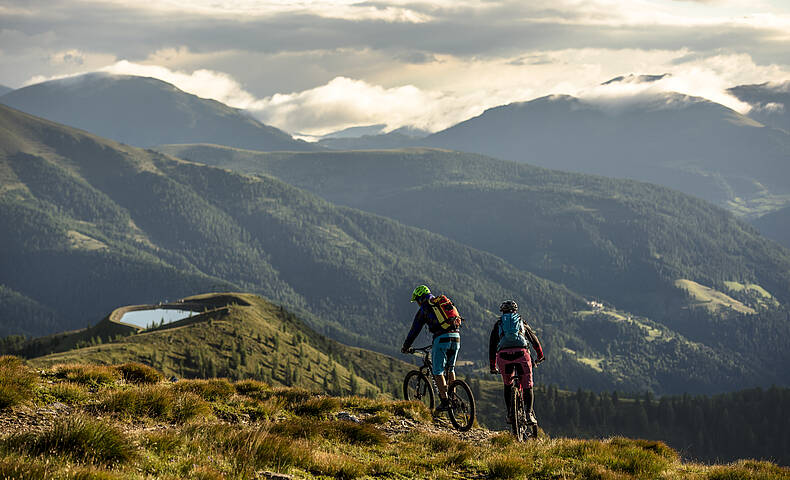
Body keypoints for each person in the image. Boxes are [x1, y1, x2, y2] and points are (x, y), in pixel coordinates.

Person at [401, 284, 461, 412]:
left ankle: (445, 401)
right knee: (450, 369)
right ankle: (453, 397)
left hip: (441, 339)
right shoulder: (441, 302)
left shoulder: (424, 308)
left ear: (419, 298)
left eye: (416, 301)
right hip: (456, 337)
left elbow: (414, 330)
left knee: (437, 371)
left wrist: (406, 346)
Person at [488, 299, 544, 427]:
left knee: (508, 385)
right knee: (527, 385)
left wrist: (492, 366)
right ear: (515, 311)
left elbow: (492, 346)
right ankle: (529, 413)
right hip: (521, 354)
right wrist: (540, 355)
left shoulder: (499, 324)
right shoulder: (521, 322)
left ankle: (509, 413)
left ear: (502, 312)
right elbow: (534, 340)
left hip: (503, 356)